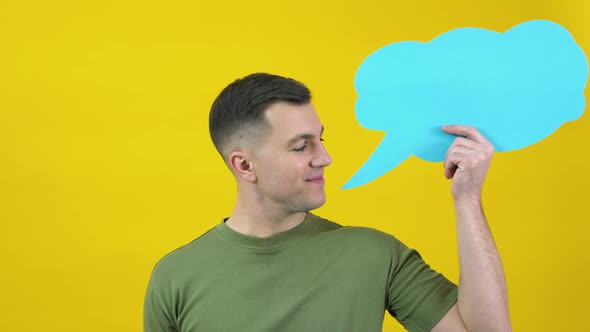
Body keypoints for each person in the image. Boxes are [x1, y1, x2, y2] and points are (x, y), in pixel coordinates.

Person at [143, 73, 511, 332]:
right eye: (302, 146)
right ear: (244, 164)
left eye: (321, 139)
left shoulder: (374, 254)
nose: (324, 157)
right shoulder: (175, 278)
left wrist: (467, 200)